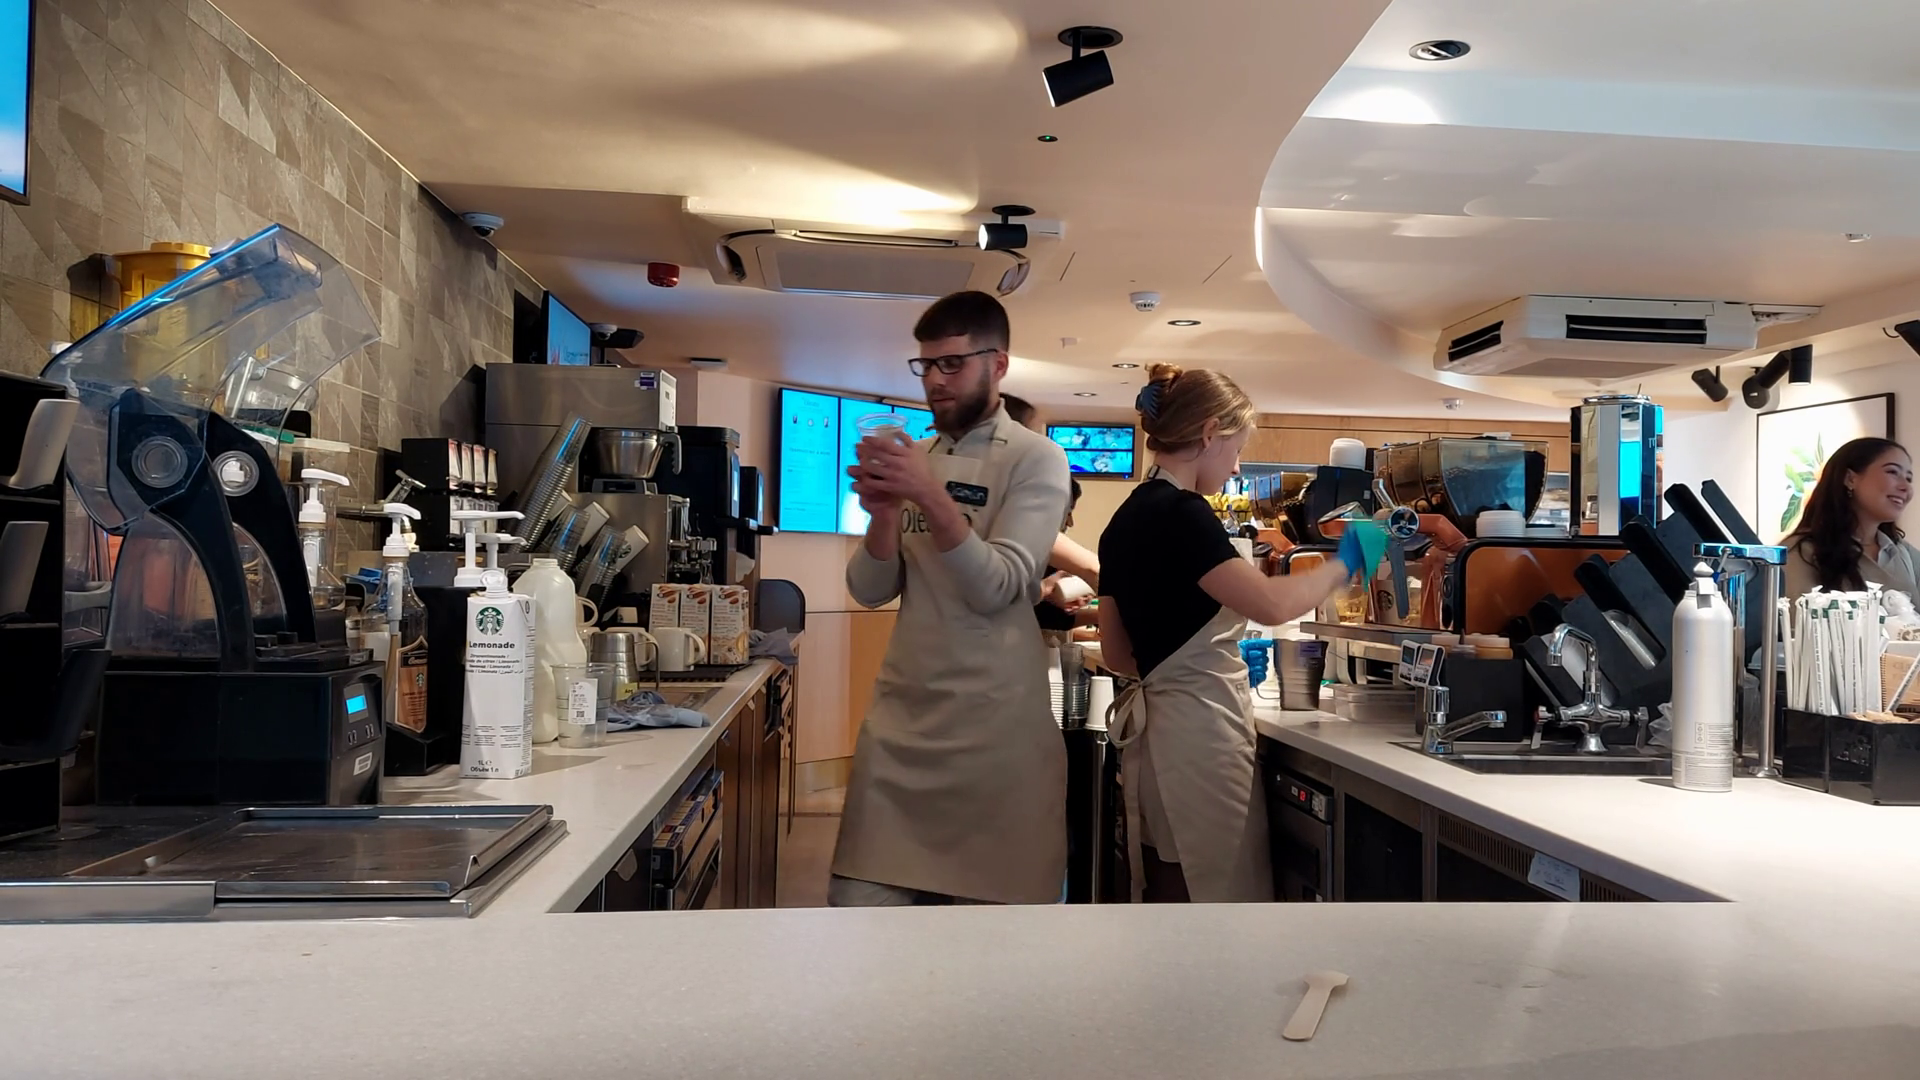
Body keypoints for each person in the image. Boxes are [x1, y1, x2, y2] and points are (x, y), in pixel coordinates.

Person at [1097, 364, 1379, 903]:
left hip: (1155, 738)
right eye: (1236, 448)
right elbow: (1271, 604)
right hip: (1201, 737)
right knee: (1222, 896)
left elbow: (1117, 651)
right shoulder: (1184, 514)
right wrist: (1347, 560)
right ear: (1209, 433)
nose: (1236, 466)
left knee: (1170, 882)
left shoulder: (1125, 517)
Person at [831, 290, 1072, 906]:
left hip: (997, 741)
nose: (935, 381)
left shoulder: (1037, 459)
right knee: (859, 923)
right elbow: (869, 589)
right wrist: (884, 514)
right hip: (901, 730)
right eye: (926, 365)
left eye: (952, 364)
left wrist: (929, 496)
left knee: (988, 951)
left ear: (998, 364)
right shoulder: (918, 458)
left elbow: (1000, 586)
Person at [1783, 437, 1919, 599]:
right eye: (1892, 472)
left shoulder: (1904, 553)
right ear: (1850, 479)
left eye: (1909, 478)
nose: (1905, 487)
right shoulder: (1802, 552)